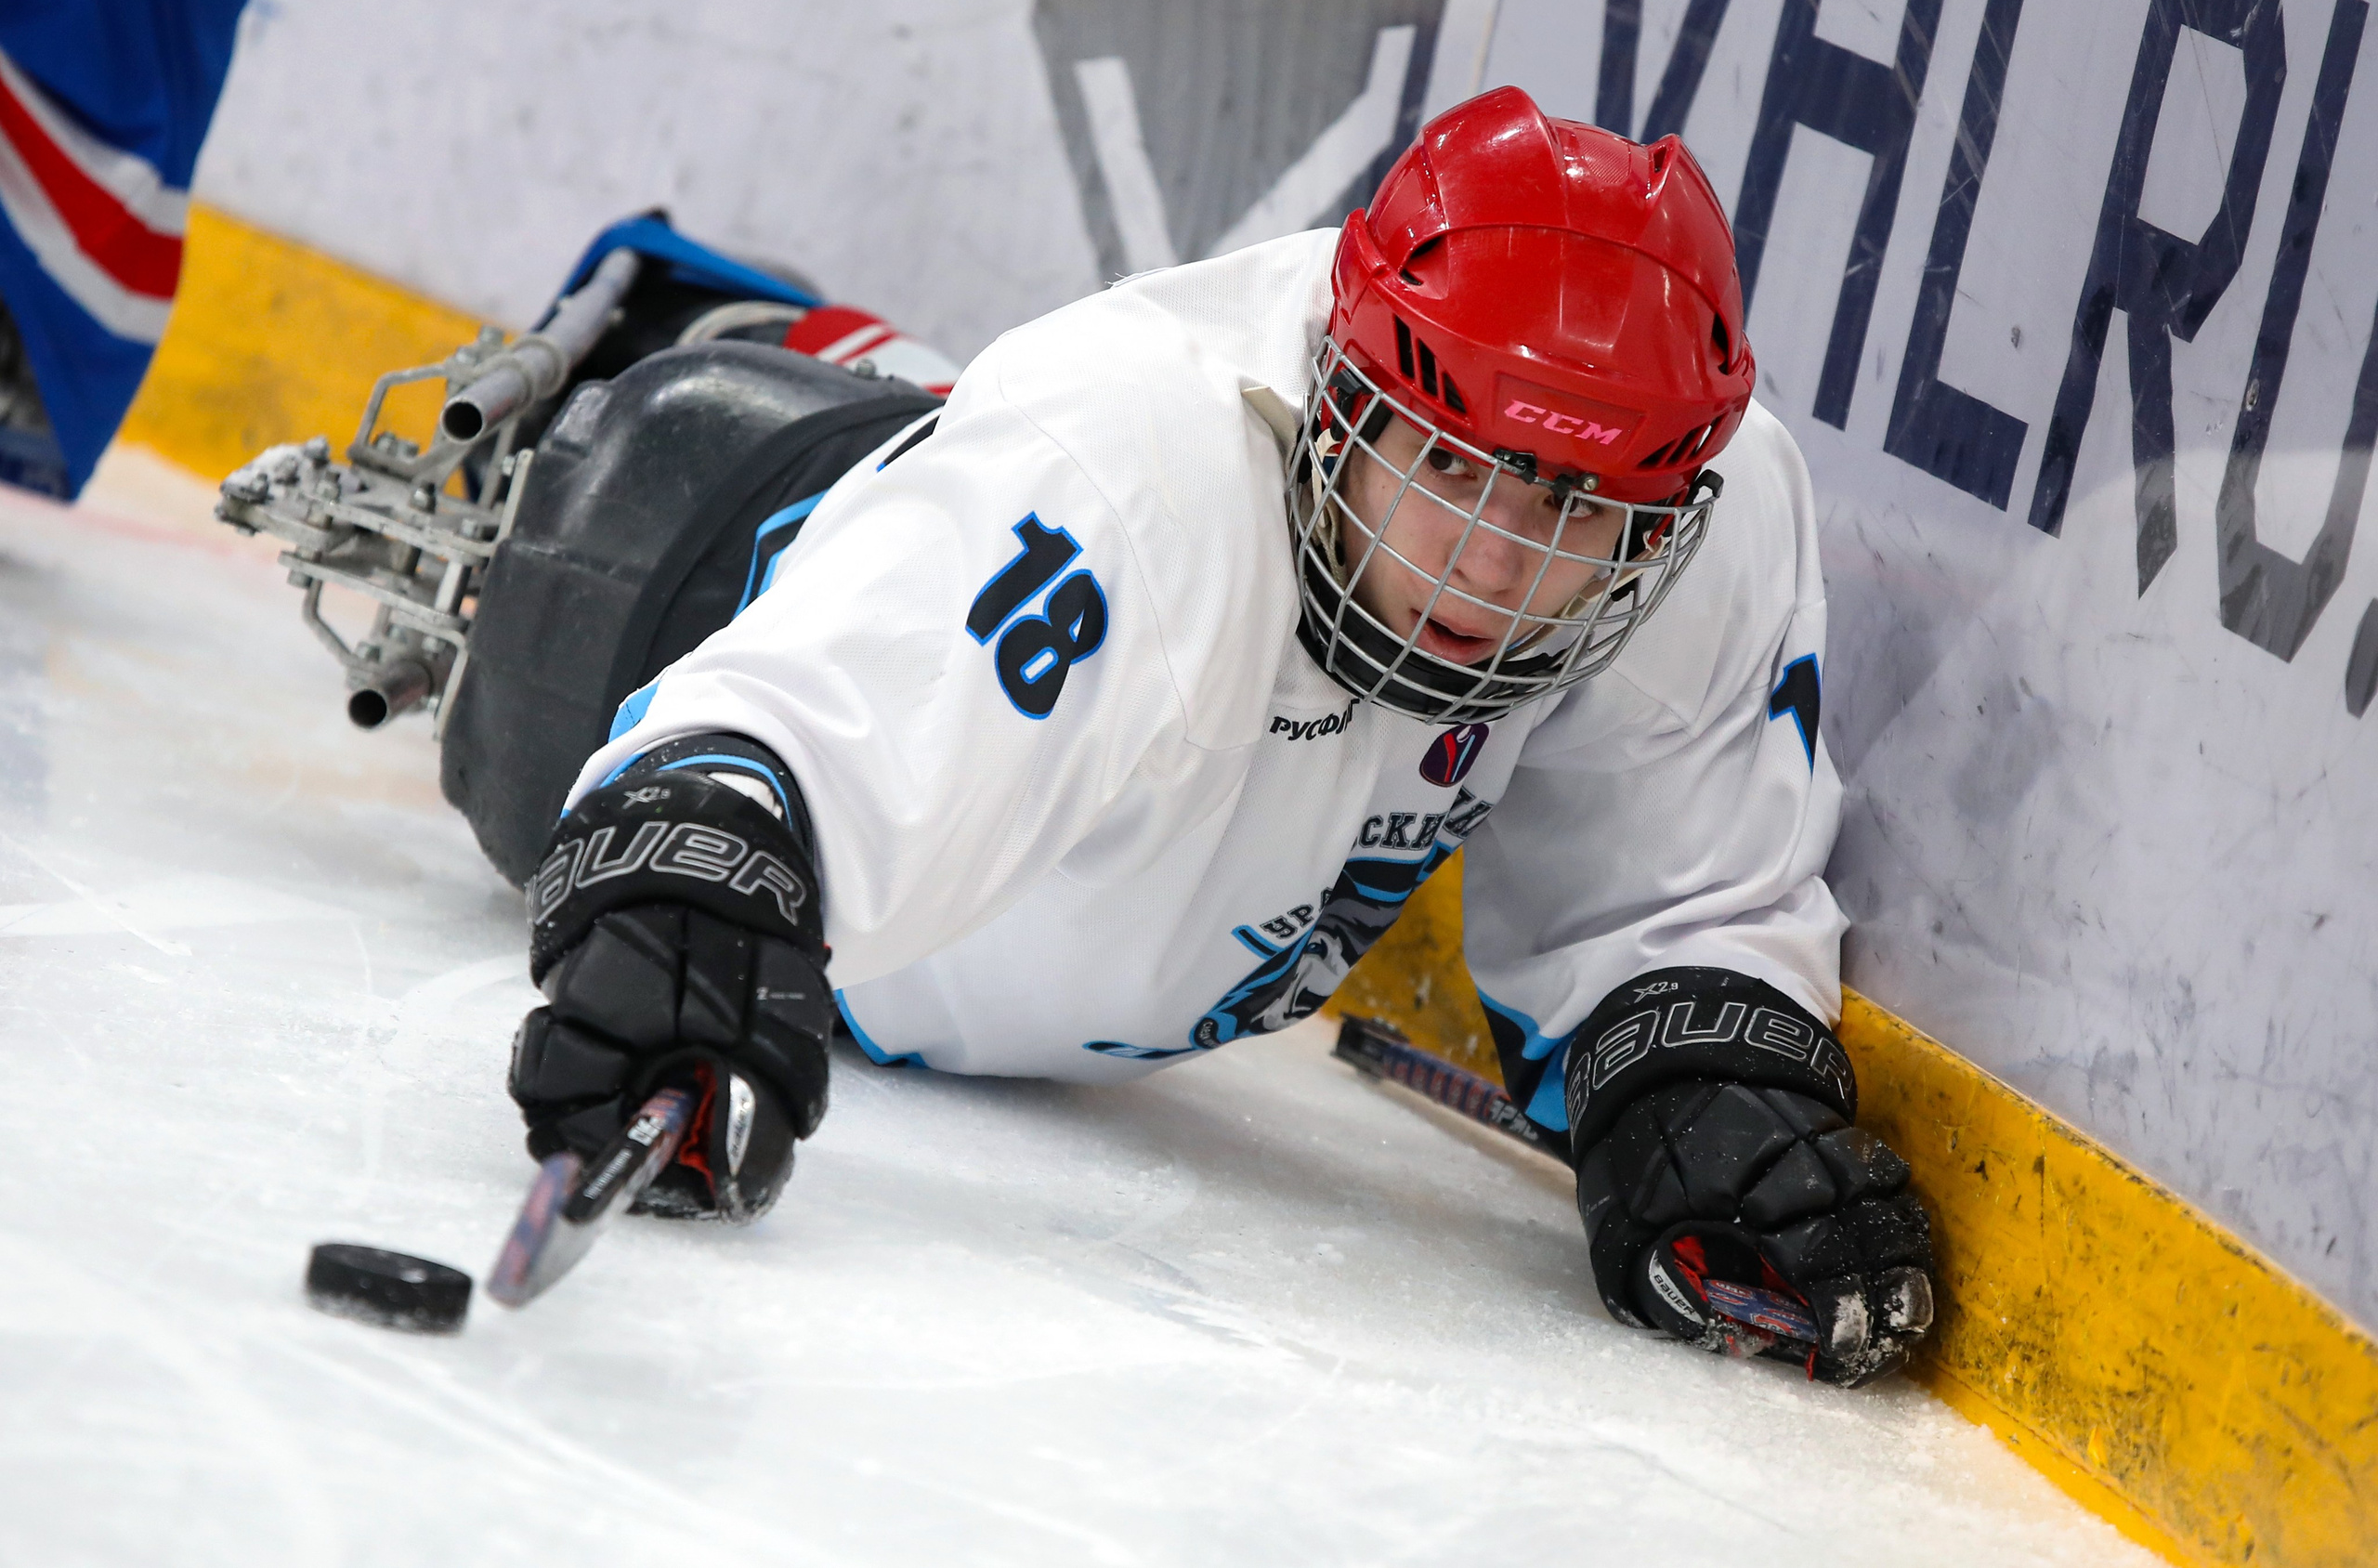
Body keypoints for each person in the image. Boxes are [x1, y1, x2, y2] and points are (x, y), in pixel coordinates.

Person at [504, 88, 1935, 1386]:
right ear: (1344, 393)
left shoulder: (1691, 498)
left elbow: (1668, 898)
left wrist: (1699, 1090)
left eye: (1566, 508)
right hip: (672, 583)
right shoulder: (1143, 471)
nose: (1492, 575)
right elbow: (815, 711)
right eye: (1448, 461)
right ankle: (707, 334)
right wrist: (694, 880)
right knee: (581, 551)